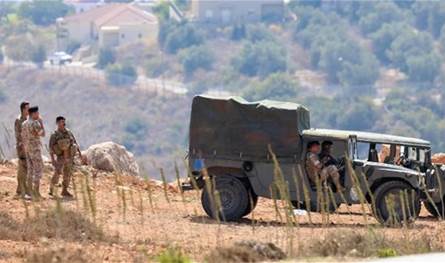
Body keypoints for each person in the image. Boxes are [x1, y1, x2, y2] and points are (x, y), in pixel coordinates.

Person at [49, 116, 82, 197]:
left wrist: (80, 154)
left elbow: (75, 142)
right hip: (60, 157)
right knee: (57, 173)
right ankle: (52, 189)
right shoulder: (54, 135)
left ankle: (65, 190)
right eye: (61, 122)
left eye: (63, 122)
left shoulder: (69, 132)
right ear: (57, 123)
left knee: (67, 174)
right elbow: (51, 148)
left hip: (69, 157)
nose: (63, 123)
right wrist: (53, 159)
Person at [22, 106, 45, 199]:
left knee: (30, 170)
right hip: (35, 149)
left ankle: (29, 193)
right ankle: (36, 193)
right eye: (37, 113)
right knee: (37, 169)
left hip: (28, 149)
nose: (38, 115)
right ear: (33, 114)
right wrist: (41, 123)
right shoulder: (35, 123)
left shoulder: (24, 123)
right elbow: (42, 134)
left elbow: (22, 136)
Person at [14, 101, 30, 198]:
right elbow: (18, 134)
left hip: (28, 146)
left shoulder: (27, 120)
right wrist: (23, 145)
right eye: (27, 108)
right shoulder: (19, 120)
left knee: (24, 168)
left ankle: (20, 189)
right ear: (23, 109)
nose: (29, 110)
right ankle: (23, 190)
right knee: (23, 167)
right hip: (22, 146)